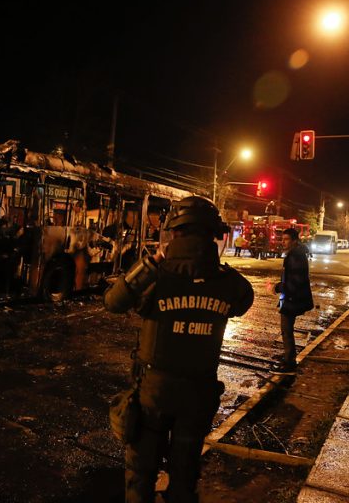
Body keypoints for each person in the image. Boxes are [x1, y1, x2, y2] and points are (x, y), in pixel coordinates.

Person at [104, 196, 254, 503]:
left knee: (140, 475)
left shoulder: (155, 276)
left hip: (153, 394)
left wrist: (150, 263)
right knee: (184, 477)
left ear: (173, 231)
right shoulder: (228, 282)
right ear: (216, 235)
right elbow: (243, 301)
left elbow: (113, 302)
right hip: (198, 396)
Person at [270, 228, 314, 375]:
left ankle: (290, 363)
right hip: (292, 296)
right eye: (283, 239)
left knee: (286, 330)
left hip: (292, 298)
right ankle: (289, 359)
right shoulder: (296, 253)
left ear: (294, 240)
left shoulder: (295, 256)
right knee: (286, 329)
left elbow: (294, 280)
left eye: (286, 239)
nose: (283, 242)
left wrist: (276, 287)